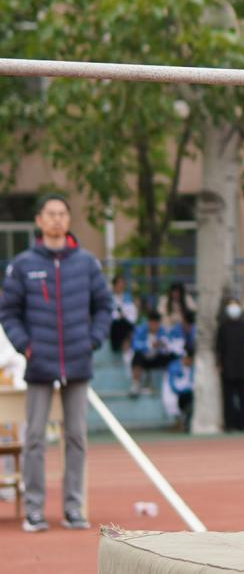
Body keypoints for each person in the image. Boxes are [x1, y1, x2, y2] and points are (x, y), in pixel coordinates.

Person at [0, 193, 114, 533]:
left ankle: (73, 508)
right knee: (35, 438)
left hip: (77, 363)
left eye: (62, 214)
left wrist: (92, 340)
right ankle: (34, 510)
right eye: (50, 214)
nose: (56, 219)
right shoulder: (23, 265)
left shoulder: (87, 264)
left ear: (68, 220)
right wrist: (26, 347)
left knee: (76, 437)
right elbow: (8, 311)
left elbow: (105, 306)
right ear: (39, 220)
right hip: (39, 364)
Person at [216, 297, 244, 431]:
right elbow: (219, 348)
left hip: (242, 366)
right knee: (228, 398)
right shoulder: (223, 327)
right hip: (227, 367)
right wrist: (219, 364)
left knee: (243, 397)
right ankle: (230, 424)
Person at [130, 311, 176, 394]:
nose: (154, 325)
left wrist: (162, 345)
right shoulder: (141, 330)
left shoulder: (163, 331)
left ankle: (168, 383)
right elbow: (135, 345)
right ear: (149, 322)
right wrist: (149, 345)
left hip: (157, 358)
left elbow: (169, 345)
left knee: (169, 357)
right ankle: (135, 384)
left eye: (156, 323)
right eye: (152, 323)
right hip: (144, 358)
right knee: (137, 357)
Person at [162, 352, 195, 431]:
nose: (191, 362)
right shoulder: (174, 367)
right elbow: (173, 385)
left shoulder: (190, 368)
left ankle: (184, 423)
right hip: (176, 393)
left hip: (185, 393)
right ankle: (180, 423)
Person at [109, 275, 139, 357]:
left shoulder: (128, 298)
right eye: (119, 284)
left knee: (127, 326)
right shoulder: (109, 298)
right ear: (114, 285)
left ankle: (126, 348)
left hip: (126, 323)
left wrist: (124, 316)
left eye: (122, 284)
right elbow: (108, 313)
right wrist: (118, 316)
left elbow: (132, 314)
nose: (121, 286)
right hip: (113, 325)